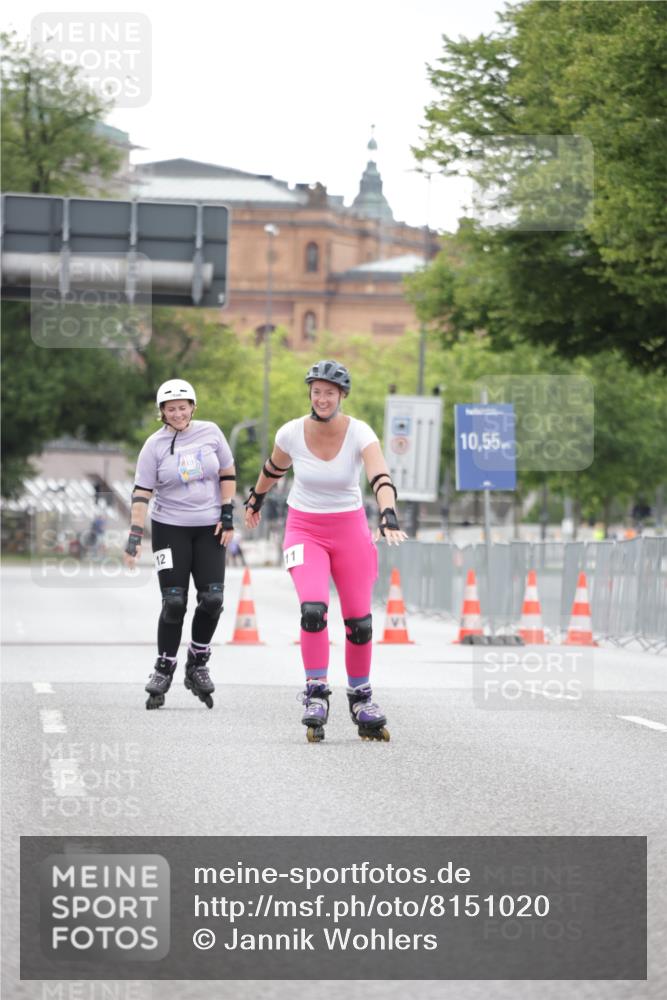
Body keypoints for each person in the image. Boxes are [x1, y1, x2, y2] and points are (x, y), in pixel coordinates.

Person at [244, 359, 406, 742]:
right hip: (304, 529)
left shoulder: (360, 433)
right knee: (313, 611)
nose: (321, 399)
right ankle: (316, 692)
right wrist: (255, 498)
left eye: (329, 393)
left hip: (350, 530)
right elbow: (273, 468)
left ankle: (361, 697)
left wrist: (388, 513)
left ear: (341, 396)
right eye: (316, 392)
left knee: (359, 622)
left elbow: (380, 475)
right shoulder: (292, 433)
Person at [123, 378, 236, 710]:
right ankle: (163, 667)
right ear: (162, 412)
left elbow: (227, 472)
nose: (177, 413)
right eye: (170, 409)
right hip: (169, 529)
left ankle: (198, 661)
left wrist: (227, 515)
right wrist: (134, 534)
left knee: (213, 598)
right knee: (174, 602)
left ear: (193, 407)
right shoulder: (153, 446)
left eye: (182, 407)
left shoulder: (212, 433)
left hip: (210, 528)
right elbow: (142, 492)